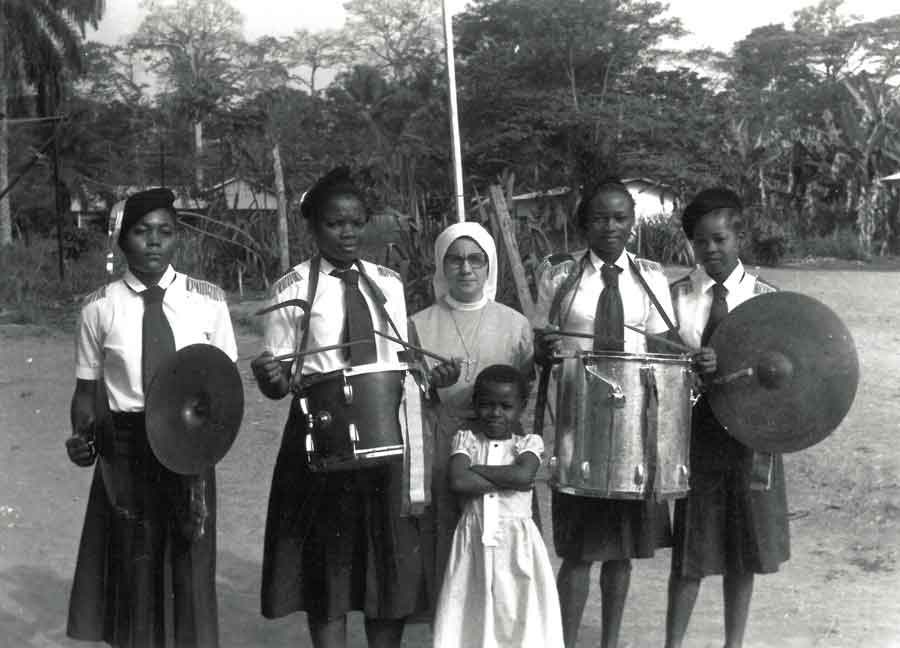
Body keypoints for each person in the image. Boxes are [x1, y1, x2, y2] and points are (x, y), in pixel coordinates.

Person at [251, 167, 458, 648]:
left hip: (388, 441)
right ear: (314, 227)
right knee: (329, 566)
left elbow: (402, 362)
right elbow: (279, 384)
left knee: (388, 563)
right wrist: (272, 377)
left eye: (356, 222)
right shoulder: (291, 290)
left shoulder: (387, 283)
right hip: (321, 446)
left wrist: (431, 376)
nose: (347, 233)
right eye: (334, 223)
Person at [66, 187, 237, 647]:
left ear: (177, 238)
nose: (154, 242)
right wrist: (81, 439)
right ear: (123, 241)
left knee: (190, 565)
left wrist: (208, 445)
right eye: (141, 232)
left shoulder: (209, 301)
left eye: (164, 231)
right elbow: (85, 392)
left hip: (188, 448)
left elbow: (224, 387)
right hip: (126, 448)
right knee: (135, 568)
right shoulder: (99, 308)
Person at [532, 178, 676, 648]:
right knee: (578, 552)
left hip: (634, 427)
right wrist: (546, 346)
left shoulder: (651, 277)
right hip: (578, 423)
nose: (610, 227)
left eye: (620, 218)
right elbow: (542, 344)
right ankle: (566, 642)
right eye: (599, 218)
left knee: (622, 553)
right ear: (583, 224)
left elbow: (661, 347)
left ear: (632, 223)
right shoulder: (559, 275)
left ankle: (610, 642)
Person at [664, 188, 790, 648]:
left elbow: (783, 372)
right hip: (696, 434)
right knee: (690, 552)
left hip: (749, 435)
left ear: (740, 237)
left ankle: (733, 644)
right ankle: (672, 643)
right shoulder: (675, 297)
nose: (711, 250)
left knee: (742, 550)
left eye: (719, 239)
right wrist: (688, 369)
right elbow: (661, 361)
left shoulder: (767, 299)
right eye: (700, 242)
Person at [409, 221, 534, 599]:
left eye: (476, 260)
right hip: (445, 439)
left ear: (489, 265)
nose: (466, 269)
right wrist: (433, 385)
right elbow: (411, 395)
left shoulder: (516, 323)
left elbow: (524, 387)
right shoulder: (418, 324)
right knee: (450, 540)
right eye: (455, 260)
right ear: (441, 266)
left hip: (503, 443)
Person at [432, 364, 563, 647]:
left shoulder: (528, 443)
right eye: (487, 405)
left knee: (516, 612)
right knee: (470, 611)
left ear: (521, 407)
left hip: (517, 545)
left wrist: (477, 470)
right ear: (475, 405)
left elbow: (524, 475)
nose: (495, 413)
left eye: (506, 406)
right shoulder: (465, 439)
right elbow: (459, 481)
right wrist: (511, 479)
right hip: (473, 543)